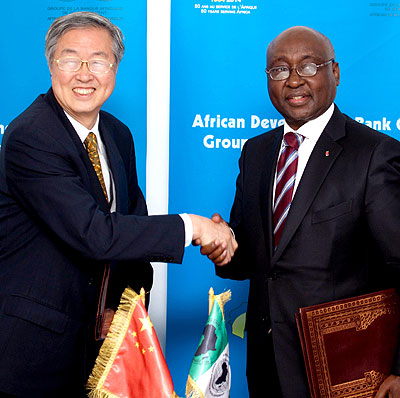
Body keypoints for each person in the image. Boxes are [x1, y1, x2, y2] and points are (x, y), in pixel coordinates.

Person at [0, 12, 237, 397]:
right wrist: (195, 227)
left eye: (98, 61)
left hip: (99, 351)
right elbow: (95, 234)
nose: (84, 74)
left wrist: (124, 310)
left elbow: (132, 234)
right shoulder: (31, 135)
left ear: (115, 68)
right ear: (51, 64)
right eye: (70, 59)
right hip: (33, 355)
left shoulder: (116, 134)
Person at [203, 26, 400, 397]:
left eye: (308, 67)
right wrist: (224, 248)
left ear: (335, 73)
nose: (294, 81)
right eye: (280, 70)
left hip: (347, 368)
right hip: (267, 364)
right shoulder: (256, 153)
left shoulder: (374, 154)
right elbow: (254, 259)